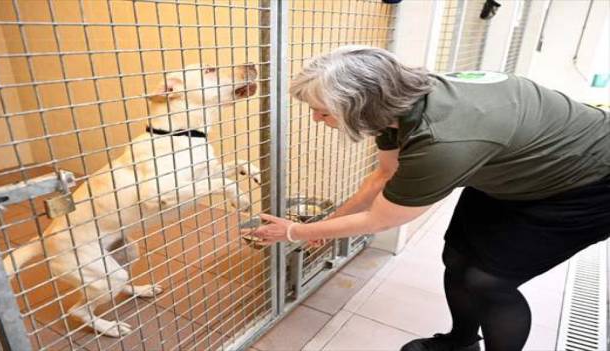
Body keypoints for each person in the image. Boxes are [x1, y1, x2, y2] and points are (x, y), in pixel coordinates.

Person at [249, 45, 610, 351]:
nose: (315, 118)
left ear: (359, 106)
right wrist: (326, 226)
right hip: (515, 167)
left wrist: (295, 232)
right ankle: (460, 341)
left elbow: (382, 218)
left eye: (324, 111)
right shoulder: (396, 106)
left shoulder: (442, 142)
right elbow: (385, 174)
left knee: (488, 281)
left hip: (587, 182)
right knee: (456, 257)